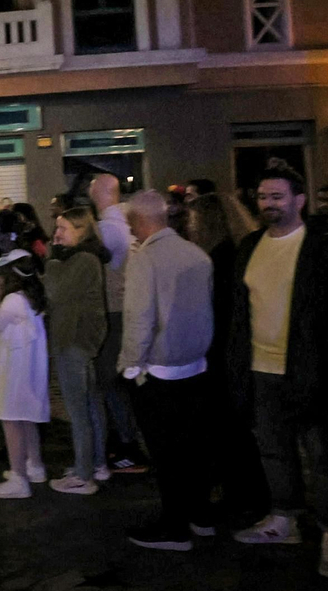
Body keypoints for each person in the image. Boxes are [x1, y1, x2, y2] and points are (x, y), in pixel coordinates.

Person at [227, 165, 328, 580]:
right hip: (260, 367)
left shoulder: (325, 250)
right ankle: (284, 518)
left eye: (278, 196)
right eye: (263, 197)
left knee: (322, 457)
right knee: (273, 449)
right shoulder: (250, 246)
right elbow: (241, 311)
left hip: (310, 371)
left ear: (299, 200)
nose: (269, 204)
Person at [117, 190, 216, 551]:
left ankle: (174, 528)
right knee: (195, 449)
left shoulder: (147, 260)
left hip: (159, 371)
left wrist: (129, 365)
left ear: (139, 222)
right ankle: (200, 516)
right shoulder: (197, 255)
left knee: (166, 453)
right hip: (196, 366)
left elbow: (140, 320)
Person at [186, 193, 265, 521]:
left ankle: (243, 497)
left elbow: (217, 312)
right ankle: (247, 495)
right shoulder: (236, 253)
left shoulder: (219, 259)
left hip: (222, 356)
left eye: (193, 221)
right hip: (232, 354)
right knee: (236, 432)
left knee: (229, 431)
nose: (189, 227)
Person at [44, 207, 110, 495]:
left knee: (78, 410)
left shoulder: (81, 259)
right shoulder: (86, 258)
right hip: (82, 341)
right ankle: (95, 464)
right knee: (91, 405)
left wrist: (51, 260)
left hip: (73, 341)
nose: (56, 235)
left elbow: (55, 292)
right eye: (57, 228)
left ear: (81, 231)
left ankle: (84, 475)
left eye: (63, 229)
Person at [90, 173, 146, 475]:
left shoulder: (107, 230)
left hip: (113, 312)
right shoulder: (126, 224)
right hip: (126, 309)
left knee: (110, 380)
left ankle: (127, 445)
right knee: (118, 379)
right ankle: (126, 441)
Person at [0, 250, 51, 500]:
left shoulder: (12, 301)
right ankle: (34, 466)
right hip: (29, 366)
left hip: (15, 368)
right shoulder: (32, 296)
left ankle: (18, 477)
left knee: (11, 418)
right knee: (26, 417)